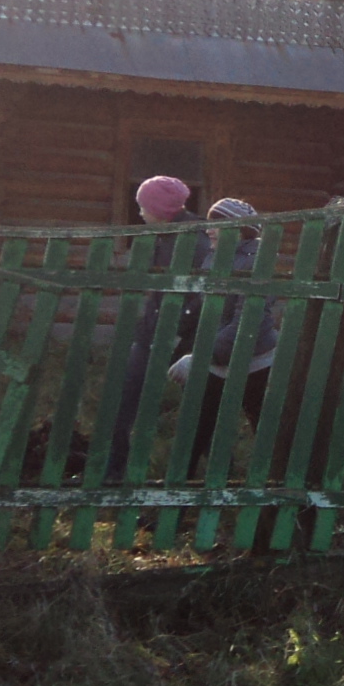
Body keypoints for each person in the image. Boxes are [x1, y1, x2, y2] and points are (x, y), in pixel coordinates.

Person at [166, 197, 281, 475]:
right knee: (195, 433)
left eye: (216, 224)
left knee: (269, 439)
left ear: (238, 229)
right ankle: (177, 496)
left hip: (256, 363)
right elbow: (208, 309)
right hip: (217, 361)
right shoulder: (214, 257)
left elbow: (246, 322)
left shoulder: (257, 261)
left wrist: (200, 356)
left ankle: (281, 495)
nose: (209, 230)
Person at [104, 173, 198, 480]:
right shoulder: (161, 235)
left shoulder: (193, 238)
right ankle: (114, 470)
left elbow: (199, 294)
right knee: (123, 394)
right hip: (152, 332)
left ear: (159, 209)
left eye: (144, 206)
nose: (140, 213)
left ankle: (192, 474)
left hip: (187, 337)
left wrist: (178, 332)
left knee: (200, 406)